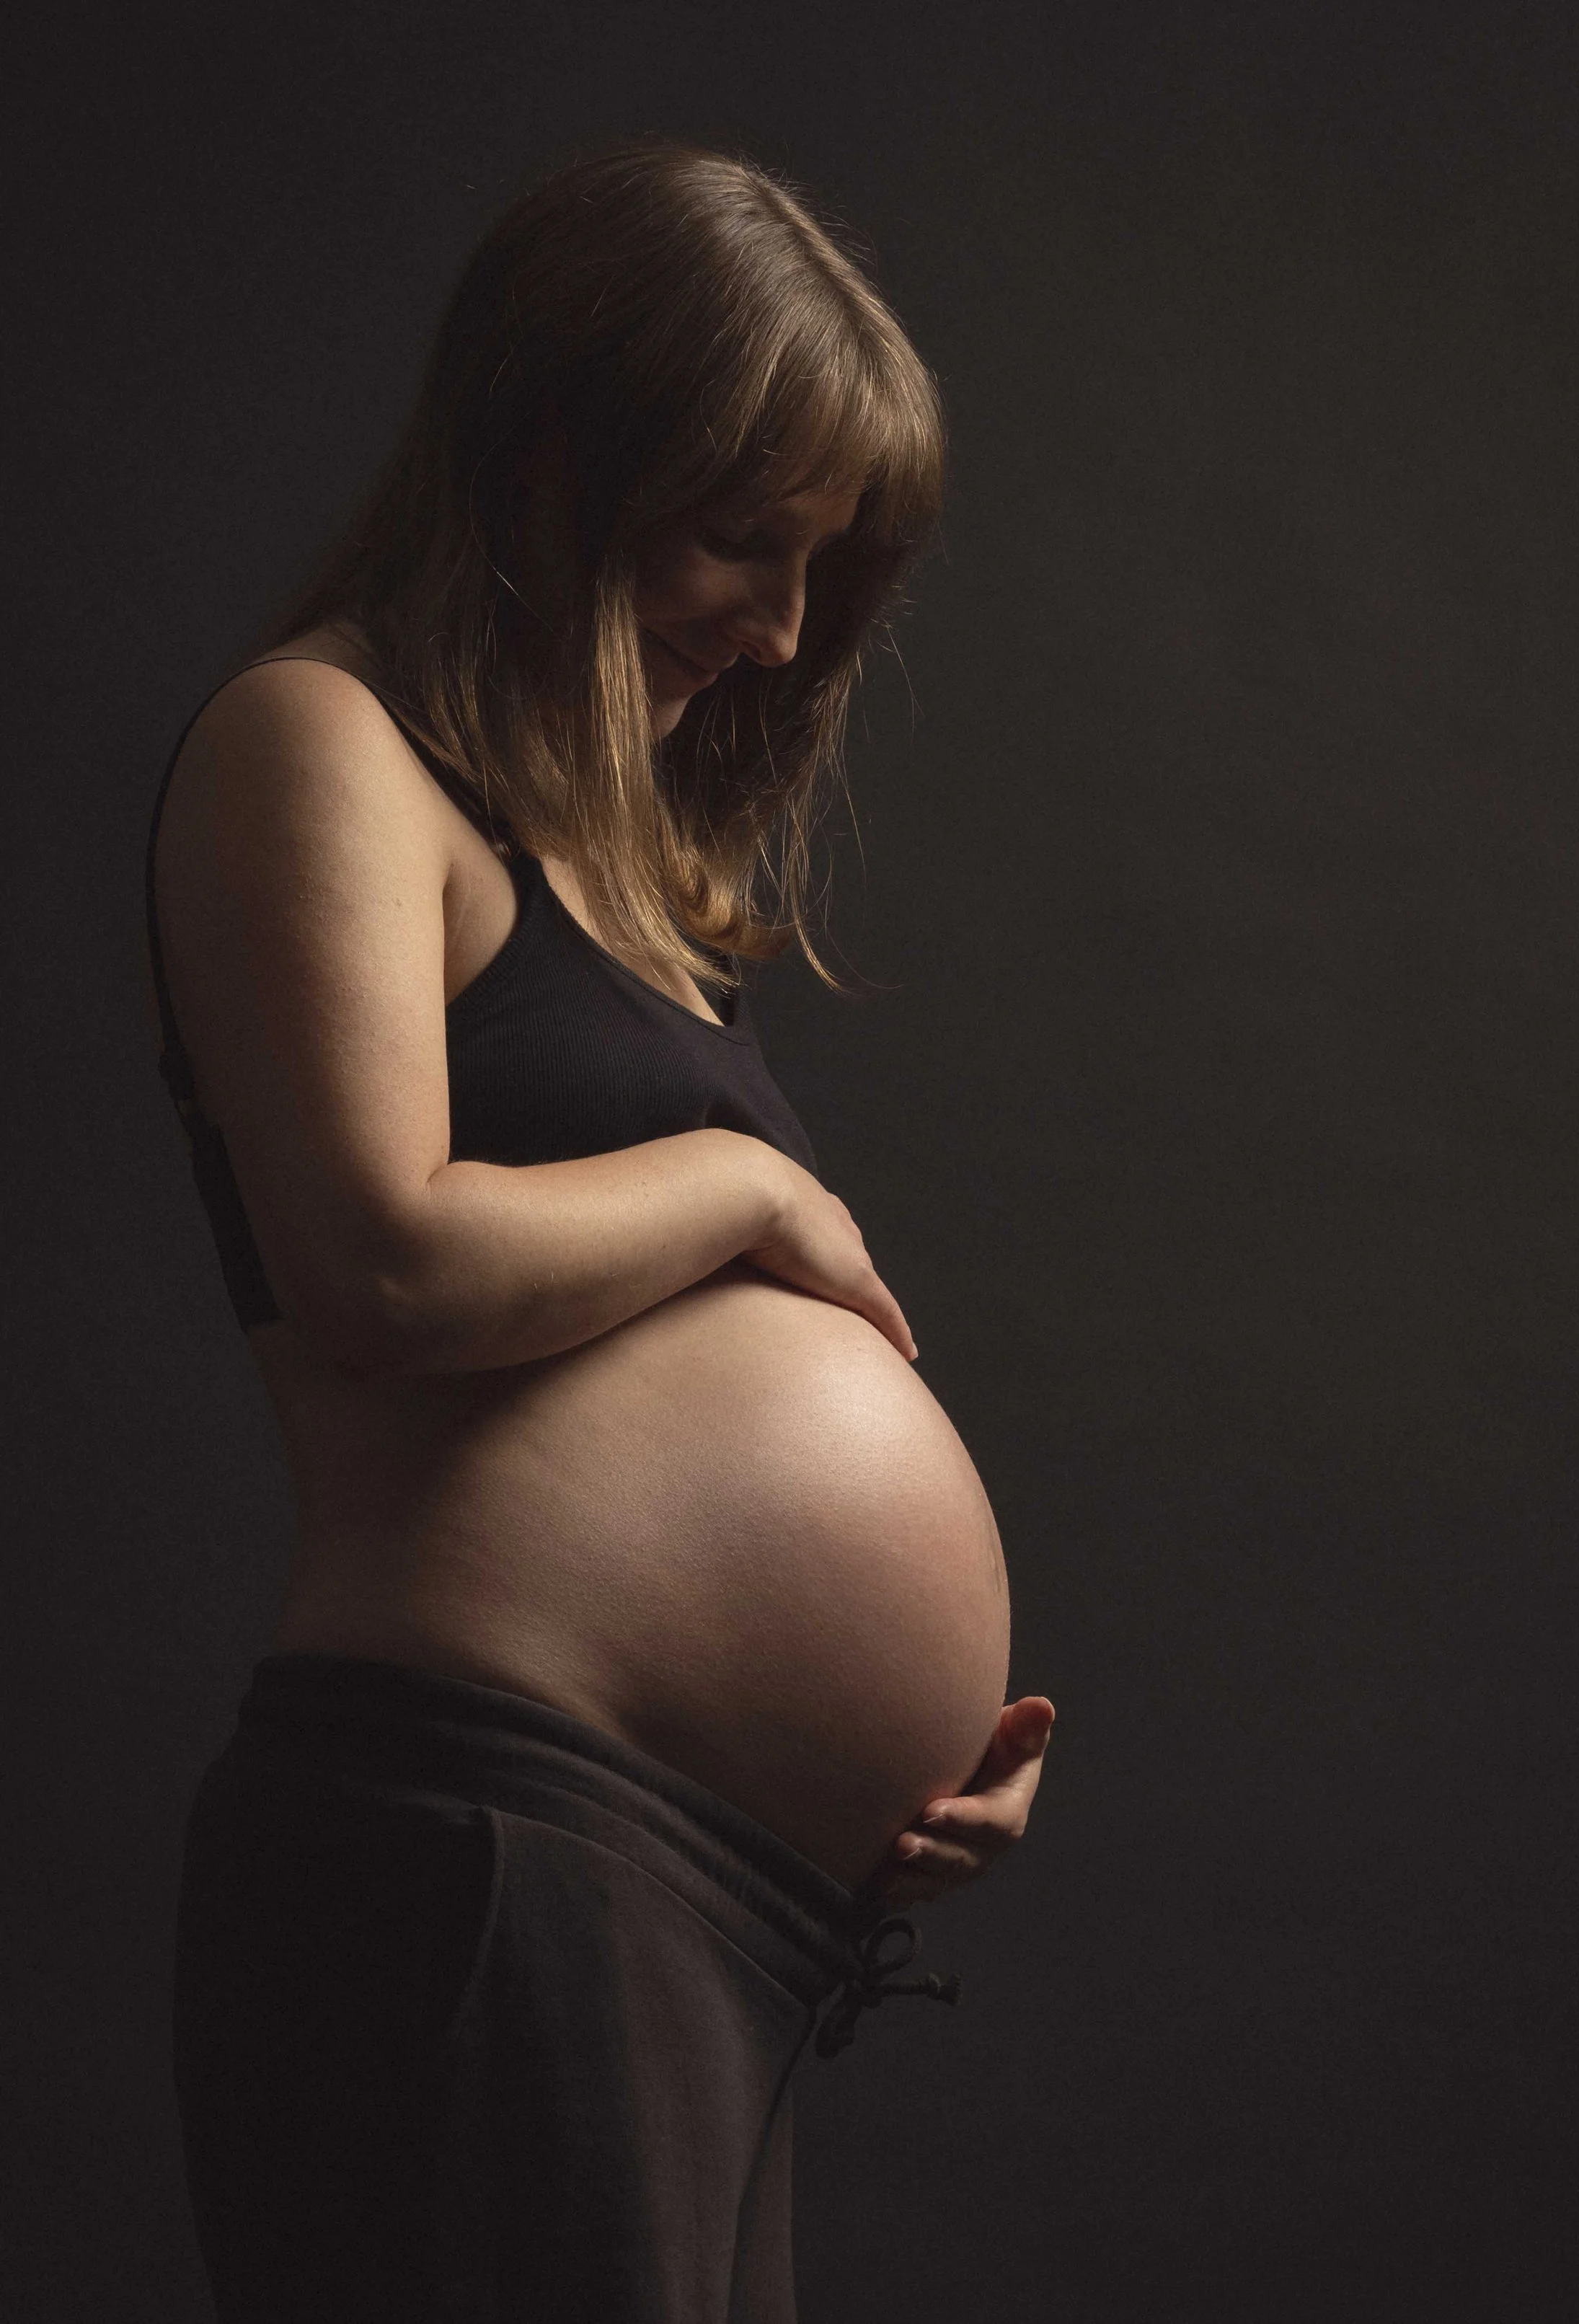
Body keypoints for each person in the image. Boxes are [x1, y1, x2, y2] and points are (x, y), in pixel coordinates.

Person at [144, 138, 1054, 2323]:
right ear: (555, 442)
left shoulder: (630, 888)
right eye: (747, 538)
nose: (780, 626)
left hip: (704, 1900)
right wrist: (751, 1184)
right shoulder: (324, 742)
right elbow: (382, 1262)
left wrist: (891, 1771)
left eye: (823, 570)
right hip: (477, 1853)